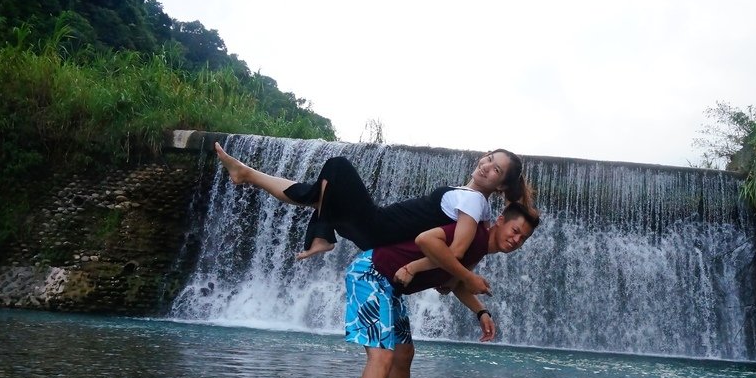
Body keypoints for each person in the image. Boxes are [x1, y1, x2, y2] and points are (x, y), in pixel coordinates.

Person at [347, 202, 540, 378]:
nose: (516, 240)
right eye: (515, 230)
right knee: (382, 357)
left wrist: (481, 311)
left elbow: (457, 281)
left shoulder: (477, 248)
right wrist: (424, 269)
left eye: (522, 238)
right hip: (371, 273)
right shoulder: (472, 233)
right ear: (500, 221)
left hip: (390, 288)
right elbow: (427, 240)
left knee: (404, 353)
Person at [213, 143, 533, 286]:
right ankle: (248, 175)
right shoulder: (472, 199)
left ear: (502, 184)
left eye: (496, 169)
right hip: (376, 230)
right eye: (489, 158)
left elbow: (459, 250)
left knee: (337, 167)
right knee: (316, 194)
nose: (487, 166)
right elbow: (467, 253)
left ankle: (322, 236)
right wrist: (450, 281)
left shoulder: (476, 202)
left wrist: (416, 268)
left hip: (377, 225)